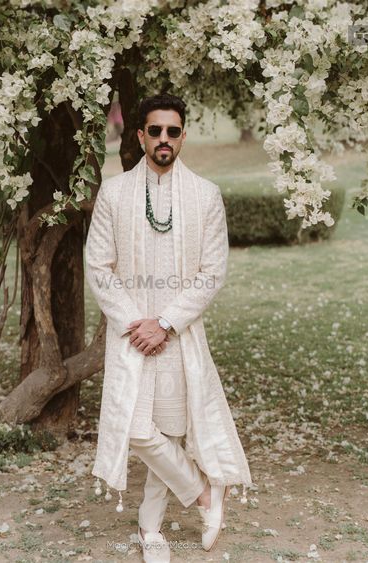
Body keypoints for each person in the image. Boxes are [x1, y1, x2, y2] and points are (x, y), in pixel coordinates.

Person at [85, 93, 252, 562]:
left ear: (182, 136)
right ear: (139, 136)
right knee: (136, 428)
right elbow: (99, 266)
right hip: (132, 332)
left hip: (177, 332)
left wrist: (165, 322)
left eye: (172, 132)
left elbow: (211, 273)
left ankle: (151, 528)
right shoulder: (115, 194)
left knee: (173, 429)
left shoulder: (205, 195)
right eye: (154, 131)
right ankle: (202, 492)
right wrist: (136, 322)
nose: (163, 139)